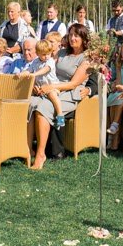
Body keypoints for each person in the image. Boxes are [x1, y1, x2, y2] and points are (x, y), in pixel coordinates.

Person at [26, 24, 90, 169]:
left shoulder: (86, 58)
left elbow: (73, 84)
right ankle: (28, 149)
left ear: (83, 38)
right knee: (30, 102)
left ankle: (41, 155)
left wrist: (50, 87)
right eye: (71, 34)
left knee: (42, 107)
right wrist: (38, 84)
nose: (73, 38)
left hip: (69, 92)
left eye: (77, 35)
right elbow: (46, 69)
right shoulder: (61, 53)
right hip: (51, 87)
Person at [20, 39, 64, 128]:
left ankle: (60, 114)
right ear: (38, 53)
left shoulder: (50, 61)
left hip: (52, 86)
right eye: (44, 55)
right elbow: (29, 70)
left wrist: (34, 74)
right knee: (27, 94)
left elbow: (46, 69)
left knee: (52, 95)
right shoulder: (36, 61)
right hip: (40, 88)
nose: (47, 56)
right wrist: (22, 73)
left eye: (49, 54)